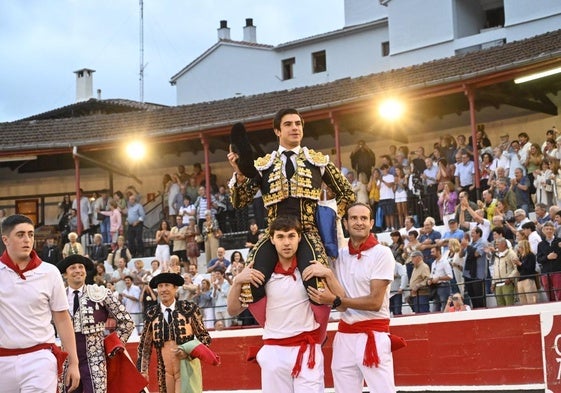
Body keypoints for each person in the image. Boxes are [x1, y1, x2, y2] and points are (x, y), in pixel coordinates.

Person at [227, 108, 355, 307]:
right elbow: (240, 202)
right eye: (288, 124)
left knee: (317, 286)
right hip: (274, 237)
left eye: (298, 124)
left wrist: (329, 217)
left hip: (308, 233)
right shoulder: (264, 166)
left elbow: (347, 194)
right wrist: (239, 173)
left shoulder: (318, 162)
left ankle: (314, 334)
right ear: (277, 131)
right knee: (249, 286)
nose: (295, 128)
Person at [304, 203, 402, 392]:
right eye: (354, 218)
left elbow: (374, 302)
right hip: (345, 334)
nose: (359, 222)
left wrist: (336, 300)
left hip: (373, 333)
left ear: (372, 223)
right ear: (346, 223)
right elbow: (341, 307)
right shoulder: (338, 256)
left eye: (364, 218)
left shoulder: (382, 253)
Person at [228, 216, 329, 393]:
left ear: (299, 237)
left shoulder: (312, 271)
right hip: (274, 352)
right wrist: (237, 281)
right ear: (272, 240)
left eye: (291, 236)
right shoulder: (262, 276)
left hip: (307, 351)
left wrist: (329, 275)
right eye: (281, 237)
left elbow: (339, 302)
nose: (286, 242)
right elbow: (233, 310)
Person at [0, 214, 80, 392]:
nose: (27, 240)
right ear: (5, 239)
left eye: (30, 234)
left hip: (39, 359)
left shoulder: (50, 272)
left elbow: (62, 319)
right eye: (20, 235)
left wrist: (74, 362)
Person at [57, 254, 137, 393]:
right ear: (65, 274)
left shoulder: (100, 293)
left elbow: (127, 322)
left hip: (95, 360)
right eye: (73, 268)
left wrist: (111, 346)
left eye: (81, 267)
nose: (78, 270)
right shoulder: (57, 297)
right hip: (67, 361)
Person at [137, 273, 213, 393]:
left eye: (167, 285)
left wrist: (189, 353)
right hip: (164, 372)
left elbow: (205, 338)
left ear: (175, 288)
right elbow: (145, 346)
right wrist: (142, 371)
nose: (163, 289)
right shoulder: (151, 313)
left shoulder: (188, 308)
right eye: (160, 286)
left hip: (186, 368)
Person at [536, 221, 561, 302]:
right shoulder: (540, 244)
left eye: (551, 229)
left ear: (554, 230)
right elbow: (539, 259)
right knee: (549, 293)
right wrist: (547, 257)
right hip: (545, 272)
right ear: (543, 231)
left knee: (559, 292)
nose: (549, 231)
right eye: (547, 229)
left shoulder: (559, 241)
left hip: (558, 271)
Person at [490, 238, 518, 307]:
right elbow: (495, 270)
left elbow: (517, 268)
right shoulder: (496, 255)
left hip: (507, 283)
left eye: (497, 244)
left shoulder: (511, 253)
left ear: (503, 244)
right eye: (495, 244)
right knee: (500, 307)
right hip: (497, 285)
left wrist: (510, 278)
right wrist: (493, 283)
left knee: (509, 305)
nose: (496, 246)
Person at [428, 246, 453, 311]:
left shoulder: (445, 262)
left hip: (443, 286)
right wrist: (430, 280)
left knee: (444, 305)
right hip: (435, 287)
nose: (431, 254)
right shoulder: (433, 263)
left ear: (438, 252)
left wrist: (439, 278)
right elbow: (432, 274)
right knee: (435, 307)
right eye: (431, 252)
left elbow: (450, 276)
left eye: (433, 252)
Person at [514, 239, 538, 305]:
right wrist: (517, 264)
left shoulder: (531, 255)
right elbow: (520, 270)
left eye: (519, 247)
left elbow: (530, 268)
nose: (518, 249)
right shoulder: (521, 257)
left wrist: (520, 264)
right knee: (522, 300)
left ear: (523, 247)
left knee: (531, 300)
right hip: (521, 279)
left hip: (529, 279)